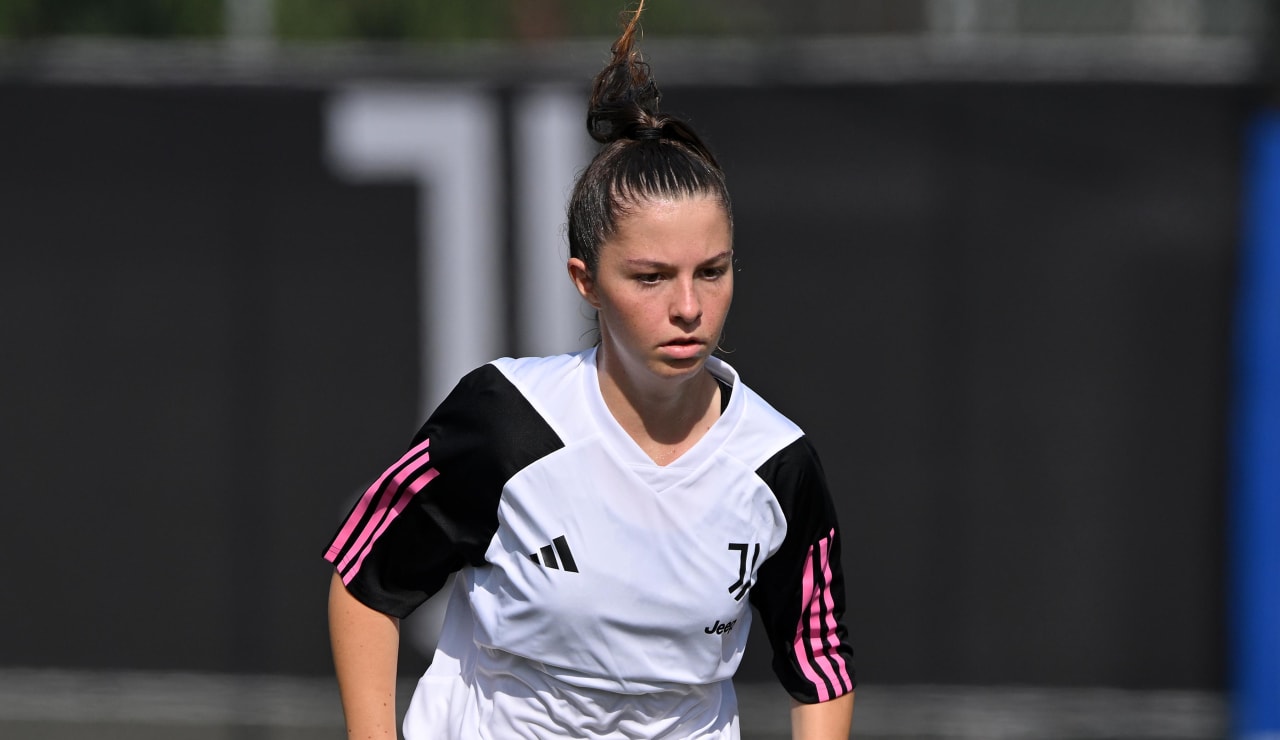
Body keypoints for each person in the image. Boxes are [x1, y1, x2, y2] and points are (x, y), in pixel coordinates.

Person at [324, 3, 855, 737]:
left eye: (713, 271)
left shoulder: (777, 465)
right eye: (650, 277)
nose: (688, 306)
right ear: (585, 280)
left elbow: (818, 665)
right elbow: (364, 584)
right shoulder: (506, 421)